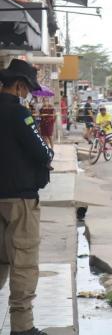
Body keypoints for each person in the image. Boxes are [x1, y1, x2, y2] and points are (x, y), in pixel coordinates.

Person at [0, 58, 53, 335]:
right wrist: (49, 154)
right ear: (19, 86)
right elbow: (40, 153)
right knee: (22, 262)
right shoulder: (21, 115)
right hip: (20, 200)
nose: (28, 94)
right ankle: (22, 328)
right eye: (27, 88)